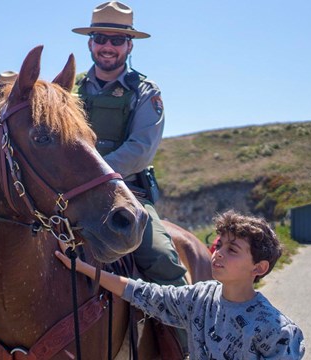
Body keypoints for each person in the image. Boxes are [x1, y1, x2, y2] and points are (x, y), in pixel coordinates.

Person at [55, 210, 306, 359]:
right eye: (219, 245)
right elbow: (142, 292)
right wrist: (84, 268)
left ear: (259, 268)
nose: (218, 253)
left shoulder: (277, 330)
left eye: (233, 250)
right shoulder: (200, 298)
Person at [72, 1, 186, 286]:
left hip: (126, 193)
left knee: (162, 260)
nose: (107, 46)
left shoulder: (146, 91)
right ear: (90, 43)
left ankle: (187, 323)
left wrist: (91, 174)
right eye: (100, 38)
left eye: (117, 40)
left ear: (130, 46)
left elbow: (140, 151)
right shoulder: (68, 90)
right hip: (70, 194)